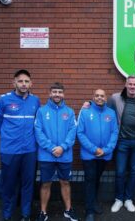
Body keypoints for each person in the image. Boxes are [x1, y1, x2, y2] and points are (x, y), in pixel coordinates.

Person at [0, 69, 41, 221]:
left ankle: (25, 215)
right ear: (14, 82)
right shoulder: (3, 99)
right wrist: (10, 138)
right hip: (9, 150)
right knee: (9, 184)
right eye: (20, 81)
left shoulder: (36, 101)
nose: (24, 84)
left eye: (27, 81)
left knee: (28, 184)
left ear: (31, 83)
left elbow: (38, 124)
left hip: (30, 150)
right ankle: (7, 215)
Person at [34, 82, 78, 221]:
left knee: (65, 182)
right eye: (54, 92)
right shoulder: (41, 111)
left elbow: (73, 132)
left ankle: (68, 210)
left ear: (63, 94)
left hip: (64, 155)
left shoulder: (70, 112)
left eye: (59, 92)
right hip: (47, 155)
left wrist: (63, 147)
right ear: (50, 93)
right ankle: (43, 212)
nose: (57, 94)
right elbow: (38, 132)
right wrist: (51, 148)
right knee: (46, 183)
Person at [77, 89, 119, 221]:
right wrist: (94, 149)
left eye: (102, 96)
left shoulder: (111, 113)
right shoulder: (85, 112)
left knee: (96, 179)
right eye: (97, 95)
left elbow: (114, 133)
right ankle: (89, 210)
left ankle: (93, 202)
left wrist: (106, 150)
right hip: (89, 155)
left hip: (104, 155)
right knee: (90, 180)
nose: (99, 98)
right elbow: (80, 133)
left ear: (105, 98)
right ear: (93, 97)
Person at [109, 75, 135, 213]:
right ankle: (119, 199)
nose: (132, 87)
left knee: (134, 171)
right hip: (122, 142)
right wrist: (89, 103)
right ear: (125, 84)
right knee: (120, 172)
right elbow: (105, 111)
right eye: (130, 84)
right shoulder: (115, 98)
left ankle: (128, 199)